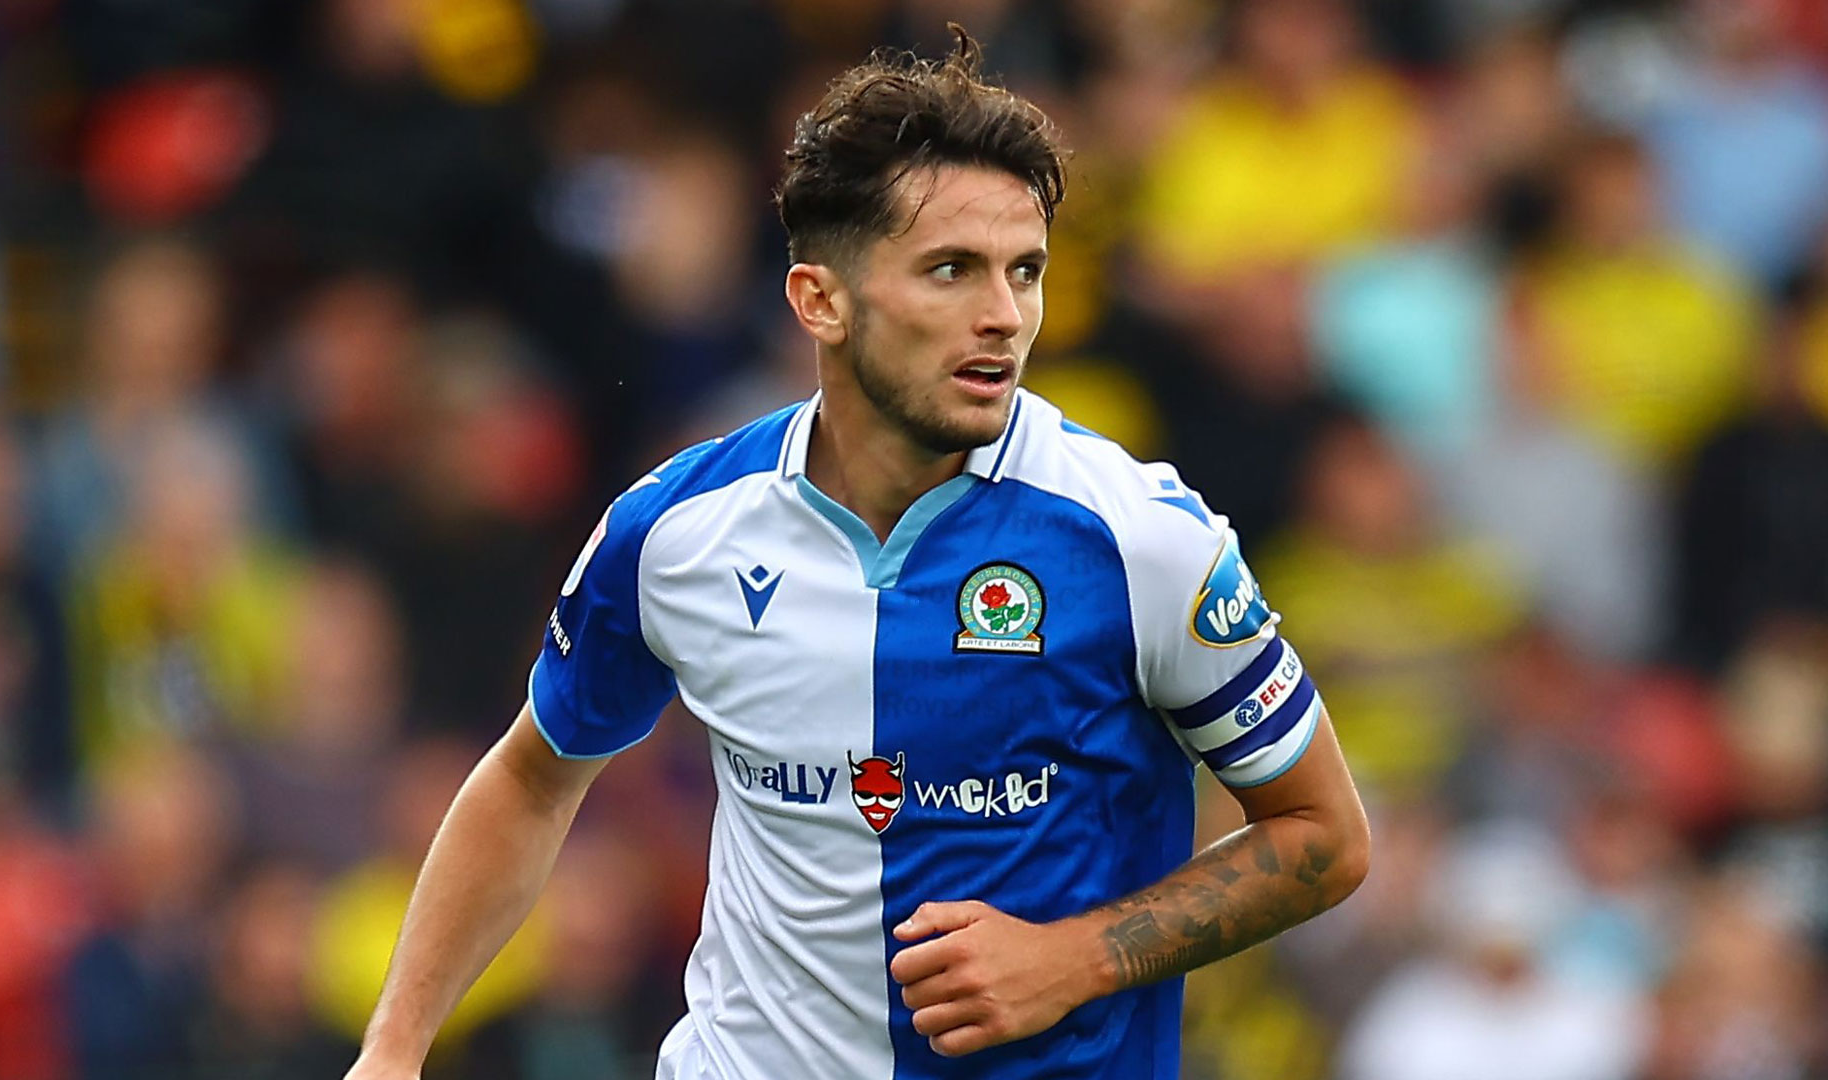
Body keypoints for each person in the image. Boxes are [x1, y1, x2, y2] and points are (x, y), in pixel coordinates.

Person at [344, 30, 1369, 1080]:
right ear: (819, 302)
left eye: (1026, 271)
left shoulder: (1140, 540)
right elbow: (530, 778)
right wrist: (393, 1049)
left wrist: (1074, 960)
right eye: (951, 271)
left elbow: (1323, 836)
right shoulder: (677, 529)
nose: (1004, 316)